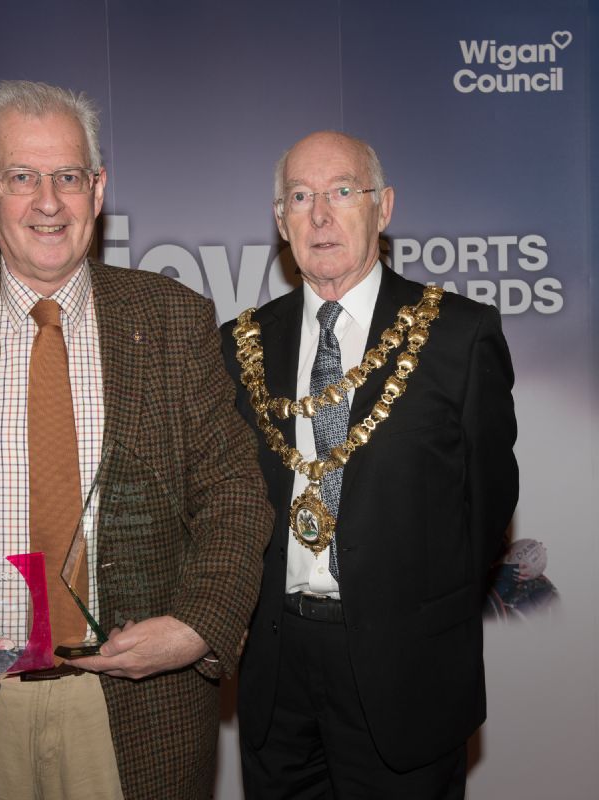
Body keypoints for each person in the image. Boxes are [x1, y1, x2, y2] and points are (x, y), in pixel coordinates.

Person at [0, 79, 272, 800]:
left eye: (68, 176)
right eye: (21, 177)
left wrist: (200, 624)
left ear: (97, 190)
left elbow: (232, 492)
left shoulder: (172, 319)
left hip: (137, 712)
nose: (47, 202)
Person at [221, 131, 518, 799]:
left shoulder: (458, 336)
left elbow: (487, 508)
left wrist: (411, 614)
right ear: (280, 221)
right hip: (277, 670)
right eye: (300, 197)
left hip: (407, 671)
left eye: (341, 192)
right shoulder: (240, 345)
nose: (320, 215)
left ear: (382, 207)